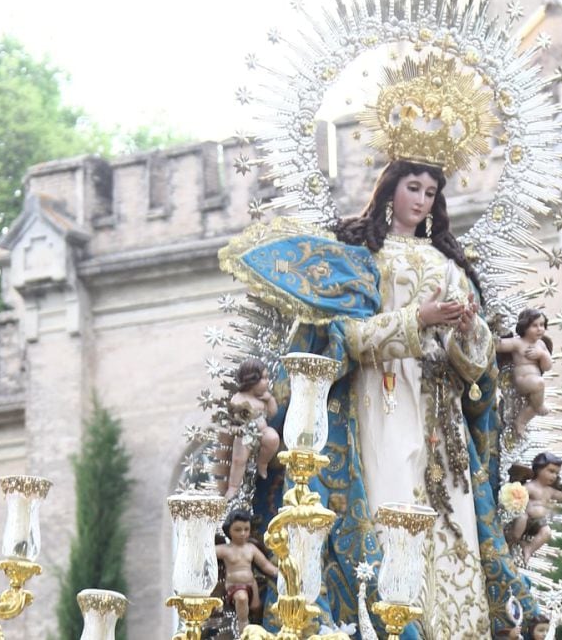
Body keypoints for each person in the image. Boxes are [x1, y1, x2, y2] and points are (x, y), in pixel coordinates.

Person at [220, 159, 537, 636]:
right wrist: (418, 319)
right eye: (413, 187)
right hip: (380, 401)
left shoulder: (448, 266)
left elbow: (476, 369)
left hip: (439, 414)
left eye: (431, 192)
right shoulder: (361, 258)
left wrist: (469, 331)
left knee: (452, 522)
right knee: (390, 505)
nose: (421, 200)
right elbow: (345, 338)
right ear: (390, 190)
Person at [216, 509, 278, 632]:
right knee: (242, 598)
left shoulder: (251, 548)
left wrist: (281, 572)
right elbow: (206, 553)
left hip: (252, 585)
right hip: (234, 587)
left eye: (246, 529)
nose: (243, 533)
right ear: (229, 530)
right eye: (238, 530)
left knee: (256, 608)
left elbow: (265, 565)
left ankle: (257, 628)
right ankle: (243, 626)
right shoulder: (225, 550)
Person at [225, 359, 279, 500]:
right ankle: (233, 487)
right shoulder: (239, 398)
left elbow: (272, 414)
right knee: (239, 459)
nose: (267, 382)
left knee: (273, 437)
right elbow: (232, 418)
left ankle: (262, 462)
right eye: (264, 378)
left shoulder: (262, 399)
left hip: (262, 432)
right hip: (245, 434)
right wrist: (235, 428)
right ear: (251, 380)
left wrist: (271, 400)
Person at [496, 308, 554, 435]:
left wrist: (543, 355)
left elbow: (547, 367)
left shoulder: (541, 345)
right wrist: (494, 332)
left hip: (535, 383)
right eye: (534, 325)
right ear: (524, 326)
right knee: (540, 386)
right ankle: (538, 406)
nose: (539, 329)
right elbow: (498, 345)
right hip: (523, 381)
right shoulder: (518, 342)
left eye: (542, 325)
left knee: (534, 406)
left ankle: (521, 421)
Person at [508, 452, 562, 565]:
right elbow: (517, 496)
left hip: (538, 521)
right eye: (551, 471)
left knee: (546, 532)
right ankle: (513, 541)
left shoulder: (549, 491)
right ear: (539, 469)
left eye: (556, 473)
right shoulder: (530, 486)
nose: (554, 476)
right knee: (521, 519)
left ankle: (529, 549)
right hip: (526, 516)